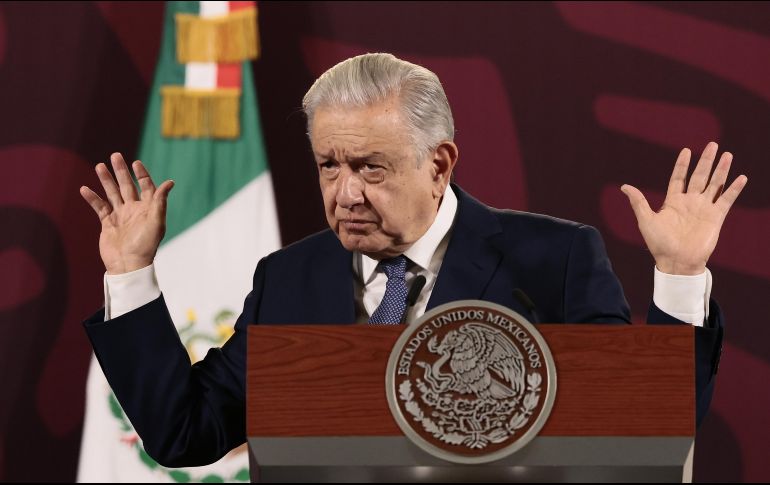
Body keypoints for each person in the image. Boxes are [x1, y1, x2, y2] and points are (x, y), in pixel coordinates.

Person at [80, 53, 747, 467]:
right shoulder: (289, 278)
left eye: (370, 166)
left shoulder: (554, 259)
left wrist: (682, 279)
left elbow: (646, 426)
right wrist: (132, 274)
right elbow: (184, 432)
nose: (345, 193)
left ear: (440, 164)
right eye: (328, 165)